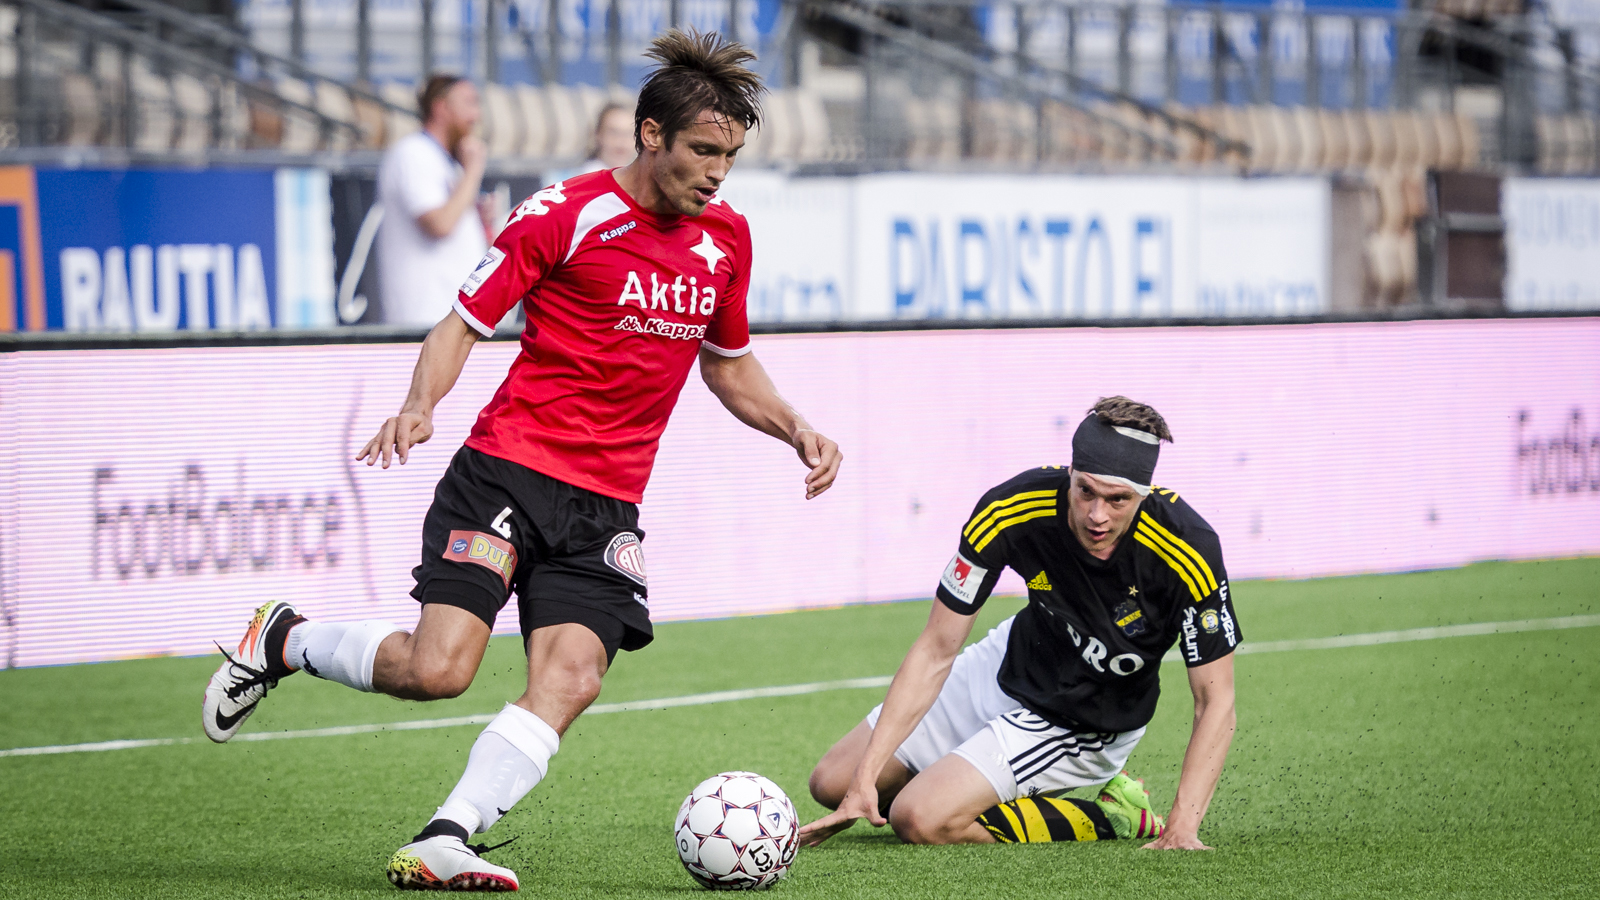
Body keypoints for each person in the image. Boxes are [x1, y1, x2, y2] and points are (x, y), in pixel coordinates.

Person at [202, 31, 842, 891]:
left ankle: (444, 836)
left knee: (573, 678)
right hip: (507, 473)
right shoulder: (562, 213)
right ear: (651, 135)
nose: (717, 172)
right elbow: (462, 321)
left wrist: (795, 425)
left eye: (729, 154)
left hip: (606, 507)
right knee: (438, 672)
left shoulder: (727, 240)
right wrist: (420, 406)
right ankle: (284, 640)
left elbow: (726, 364)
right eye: (702, 150)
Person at [800, 397, 1238, 851]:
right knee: (832, 783)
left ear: (1143, 494)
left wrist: (1182, 827)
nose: (1097, 515)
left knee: (920, 818)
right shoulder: (1011, 507)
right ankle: (957, 789)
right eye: (1085, 491)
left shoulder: (1188, 547)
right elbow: (937, 648)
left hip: (1084, 720)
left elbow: (1215, 699)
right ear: (1070, 473)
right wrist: (864, 782)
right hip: (1011, 662)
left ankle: (1112, 817)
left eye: (1118, 499)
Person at [377, 74, 492, 328]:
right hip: (424, 318)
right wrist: (473, 171)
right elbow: (439, 225)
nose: (476, 116)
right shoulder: (413, 153)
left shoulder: (450, 162)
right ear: (441, 107)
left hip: (453, 317)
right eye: (469, 103)